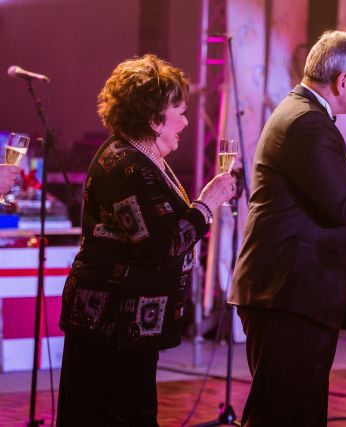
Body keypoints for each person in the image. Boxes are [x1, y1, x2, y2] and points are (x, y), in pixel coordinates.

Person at [229, 30, 346, 426]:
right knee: (279, 414)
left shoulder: (304, 114)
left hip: (294, 294)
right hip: (287, 294)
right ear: (343, 81)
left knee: (299, 412)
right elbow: (342, 206)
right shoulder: (306, 123)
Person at [56, 54, 235, 426]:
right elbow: (161, 247)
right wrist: (208, 203)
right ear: (154, 120)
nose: (186, 122)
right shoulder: (127, 166)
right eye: (179, 113)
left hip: (123, 325)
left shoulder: (142, 156)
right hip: (112, 325)